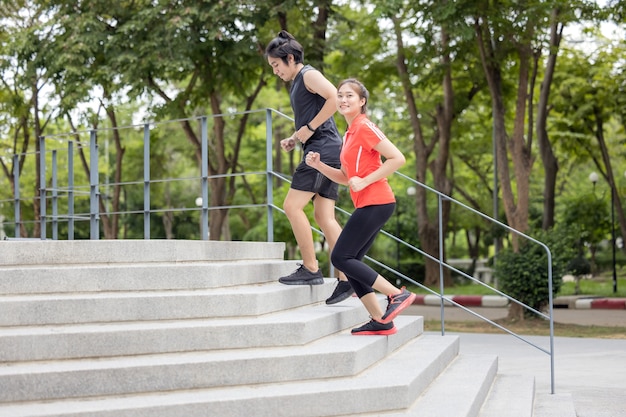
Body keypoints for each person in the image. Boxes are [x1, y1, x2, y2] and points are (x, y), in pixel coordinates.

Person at [304, 78, 417, 335]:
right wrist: (320, 166)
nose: (343, 100)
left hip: (377, 201)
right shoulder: (349, 134)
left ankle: (396, 295)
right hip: (367, 203)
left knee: (340, 256)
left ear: (362, 101)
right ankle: (380, 320)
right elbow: (346, 178)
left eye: (349, 96)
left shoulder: (365, 126)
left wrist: (365, 180)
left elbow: (398, 158)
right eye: (340, 96)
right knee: (350, 260)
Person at [265, 30, 354, 304]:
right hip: (325, 148)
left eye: (276, 65)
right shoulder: (297, 82)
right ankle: (346, 277)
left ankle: (311, 268)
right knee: (324, 217)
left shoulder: (308, 75)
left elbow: (334, 100)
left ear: (290, 58)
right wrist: (295, 138)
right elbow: (312, 117)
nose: (275, 71)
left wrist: (309, 129)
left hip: (322, 151)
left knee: (292, 206)